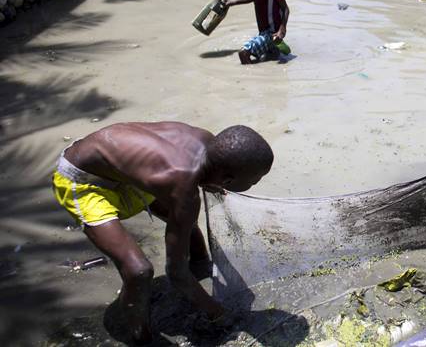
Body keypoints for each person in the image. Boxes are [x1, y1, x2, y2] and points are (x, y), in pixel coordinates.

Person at [52, 122, 274, 344]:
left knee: (184, 223)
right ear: (226, 180)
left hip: (122, 170)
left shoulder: (208, 145)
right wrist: (217, 313)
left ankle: (200, 267)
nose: (256, 183)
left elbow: (191, 193)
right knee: (139, 270)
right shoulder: (181, 185)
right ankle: (140, 336)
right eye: (255, 180)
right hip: (82, 180)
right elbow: (175, 272)